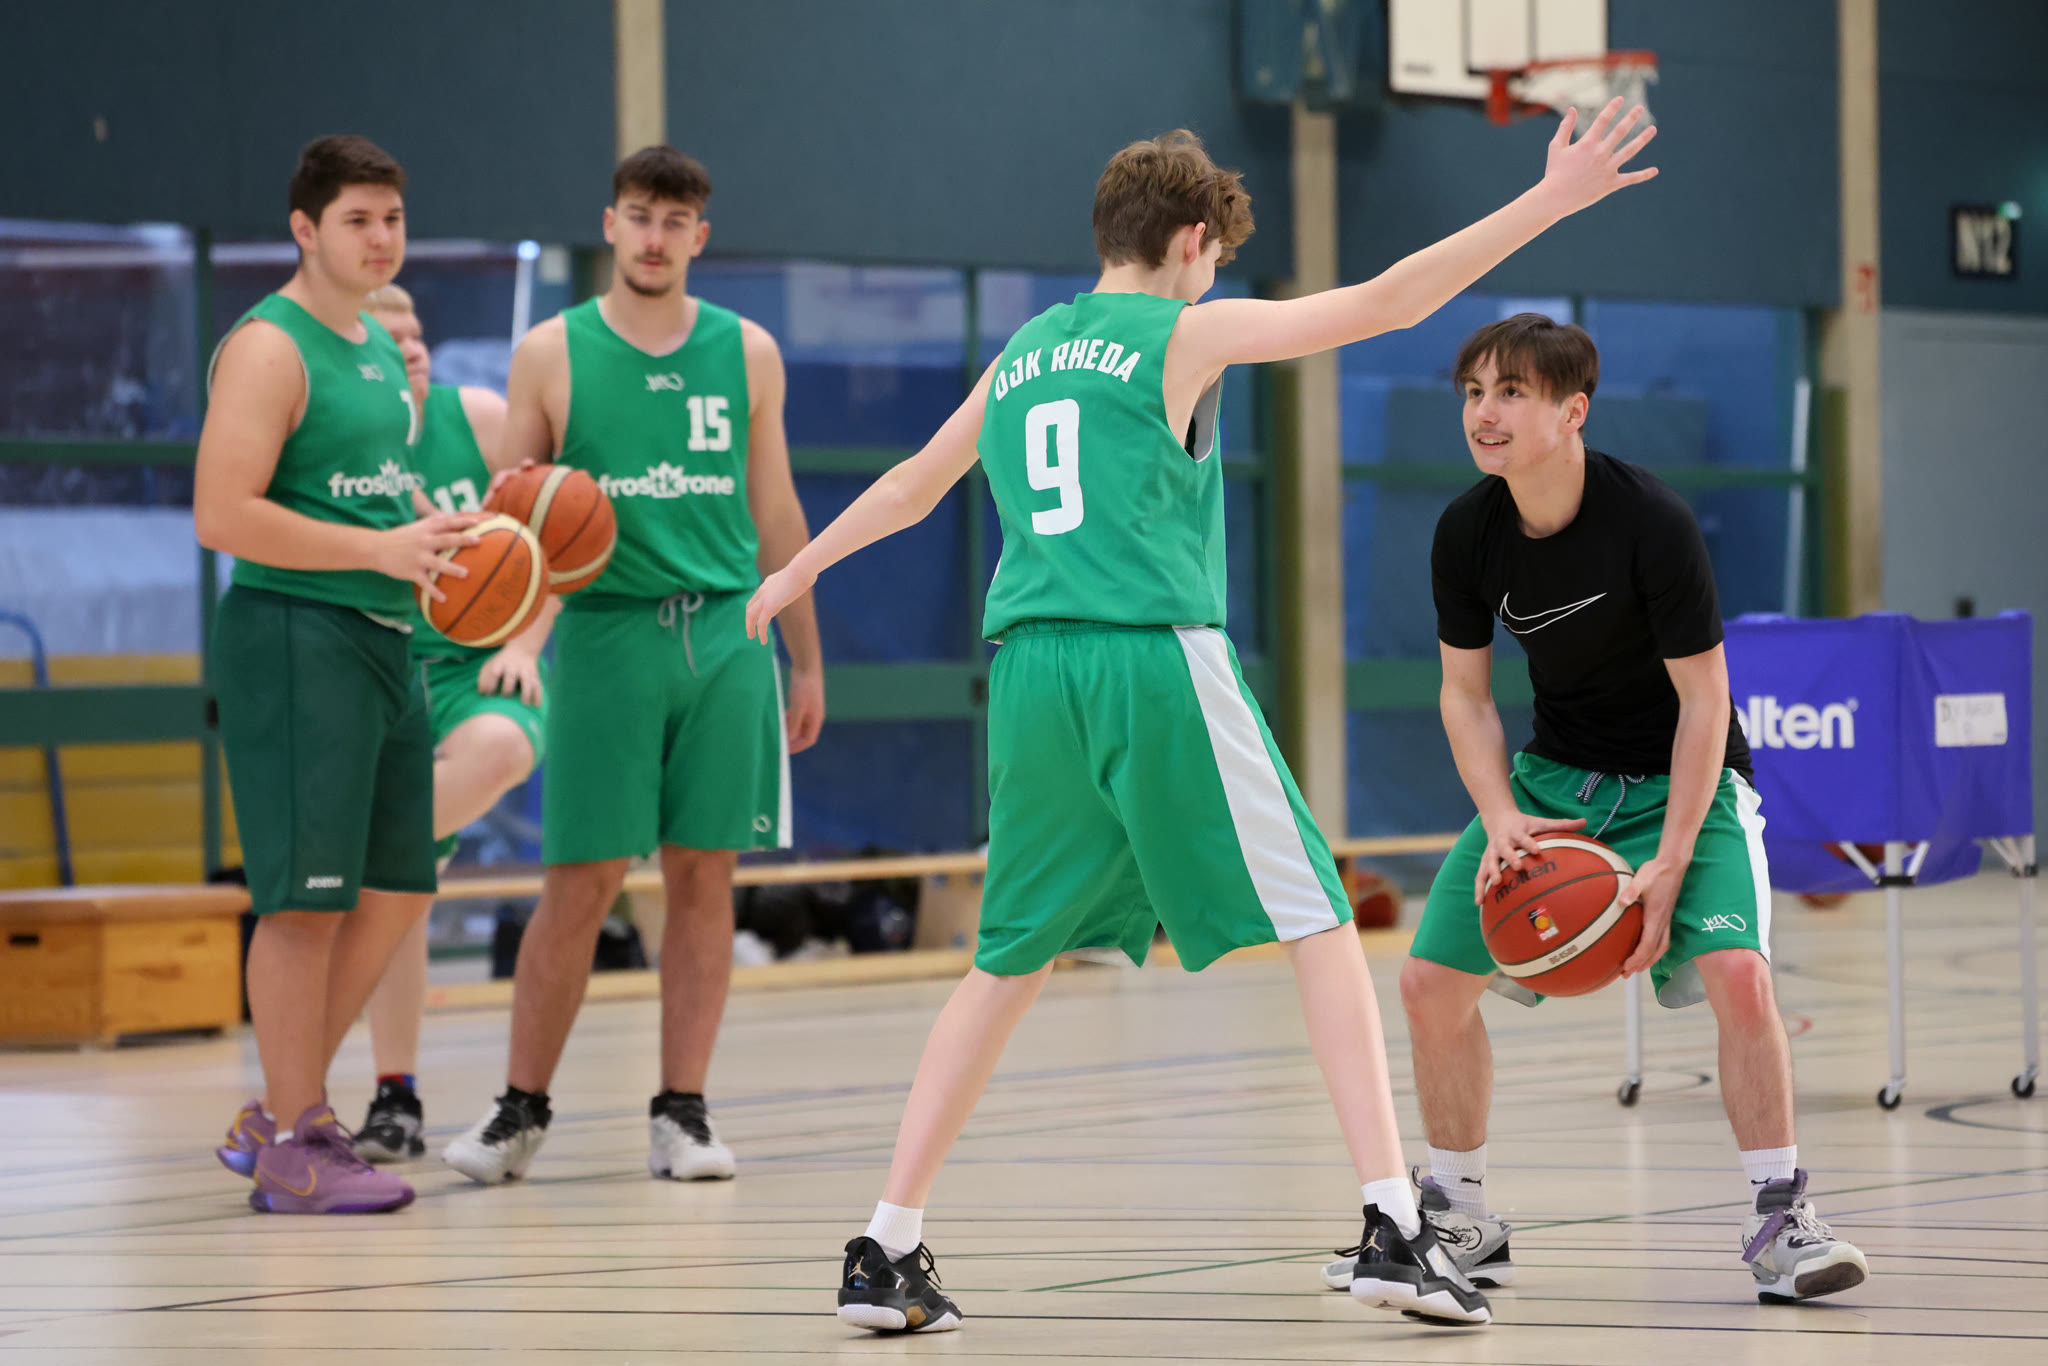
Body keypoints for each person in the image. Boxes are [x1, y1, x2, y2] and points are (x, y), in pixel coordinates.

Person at [746, 105, 1658, 1334]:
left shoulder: (1025, 353)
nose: (1214, 279)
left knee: (1004, 961)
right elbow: (1388, 301)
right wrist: (1548, 200)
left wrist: (796, 572)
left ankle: (883, 1244)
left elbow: (914, 486)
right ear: (1188, 242)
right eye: (1216, 259)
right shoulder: (1180, 332)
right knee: (1321, 919)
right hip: (1150, 654)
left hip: (1031, 674)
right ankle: (1394, 1226)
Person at [1343, 311, 1867, 1303]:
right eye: (1473, 393)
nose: (1484, 413)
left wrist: (1672, 857)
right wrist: (1500, 813)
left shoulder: (1650, 521)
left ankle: (1780, 1219)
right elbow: (1463, 695)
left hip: (1685, 780)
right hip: (1553, 784)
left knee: (1739, 976)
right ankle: (1460, 1216)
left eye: (1511, 392)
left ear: (1572, 411)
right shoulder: (1467, 531)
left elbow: (1705, 701)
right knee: (1426, 985)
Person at [443, 145, 826, 1186]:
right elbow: (510, 523)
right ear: (610, 224)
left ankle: (682, 1113)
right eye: (640, 217)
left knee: (705, 877)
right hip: (607, 636)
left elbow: (777, 508)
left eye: (675, 221)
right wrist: (517, 641)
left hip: (726, 637)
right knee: (580, 883)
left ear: (700, 236)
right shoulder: (549, 353)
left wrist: (805, 658)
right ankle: (520, 1109)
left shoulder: (748, 352)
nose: (655, 238)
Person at [196, 135, 481, 1213]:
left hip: (385, 638)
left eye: (392, 218)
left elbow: (370, 493)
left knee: (401, 882)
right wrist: (375, 548)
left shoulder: (374, 348)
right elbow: (222, 513)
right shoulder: (270, 347)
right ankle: (297, 1139)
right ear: (304, 229)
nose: (380, 238)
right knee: (303, 904)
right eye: (357, 219)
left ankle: (280, 1109)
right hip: (295, 635)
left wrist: (440, 529)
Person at [350, 283, 558, 1163]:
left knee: (501, 747)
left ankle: (374, 853)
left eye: (417, 334)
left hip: (479, 671)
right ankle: (393, 1096)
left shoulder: (475, 418)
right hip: (383, 667)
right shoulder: (338, 448)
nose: (411, 348)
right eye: (389, 338)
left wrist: (527, 642)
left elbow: (555, 532)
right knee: (400, 891)